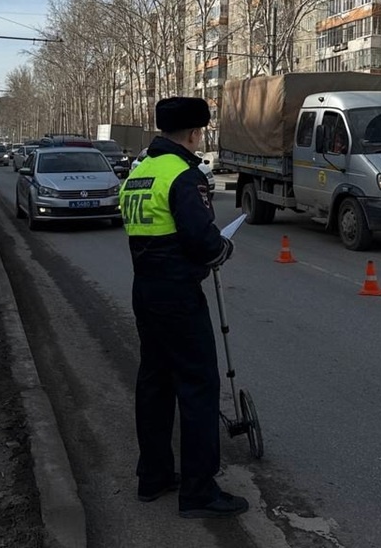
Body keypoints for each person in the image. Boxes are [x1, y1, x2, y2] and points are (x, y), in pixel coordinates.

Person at [119, 96, 248, 520]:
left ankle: (153, 476)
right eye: (201, 132)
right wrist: (221, 248)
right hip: (178, 295)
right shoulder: (183, 175)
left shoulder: (139, 173)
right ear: (194, 133)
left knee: (154, 383)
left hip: (145, 289)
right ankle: (198, 491)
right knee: (198, 385)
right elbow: (201, 240)